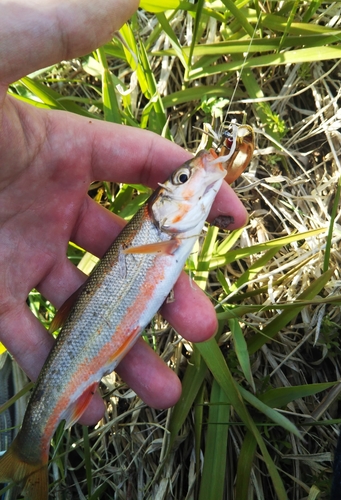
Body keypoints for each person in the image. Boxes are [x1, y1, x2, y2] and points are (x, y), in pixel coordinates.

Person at [0, 0, 247, 425]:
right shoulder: (167, 233)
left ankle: (33, 443)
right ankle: (31, 446)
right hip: (93, 327)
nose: (194, 176)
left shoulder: (169, 233)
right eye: (183, 181)